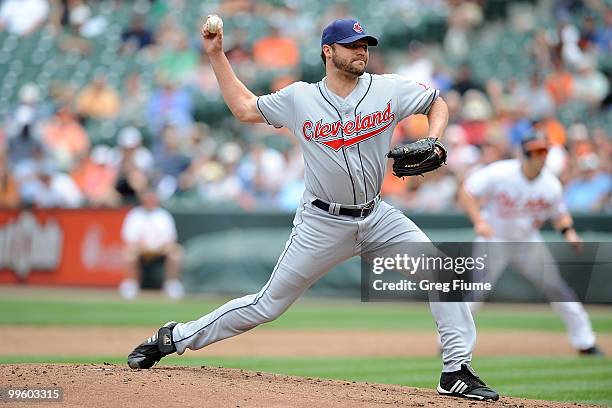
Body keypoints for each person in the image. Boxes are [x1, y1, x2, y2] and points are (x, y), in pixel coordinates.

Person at [127, 17, 499, 401]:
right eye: (352, 45)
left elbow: (435, 101)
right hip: (321, 222)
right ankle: (175, 337)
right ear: (328, 51)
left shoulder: (387, 88)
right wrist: (218, 55)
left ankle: (456, 371)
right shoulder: (300, 98)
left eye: (365, 44)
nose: (361, 51)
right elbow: (243, 107)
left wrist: (435, 139)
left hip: (377, 217)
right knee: (265, 305)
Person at [458, 130, 604, 356]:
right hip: (494, 239)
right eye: (536, 151)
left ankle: (585, 342)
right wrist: (479, 220)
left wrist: (569, 232)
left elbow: (560, 215)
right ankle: (451, 341)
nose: (541, 156)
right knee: (476, 292)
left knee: (557, 288)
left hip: (528, 242)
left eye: (544, 151)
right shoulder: (500, 172)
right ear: (525, 153)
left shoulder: (550, 184)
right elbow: (467, 193)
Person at [118, 188, 185, 300]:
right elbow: (129, 239)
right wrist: (143, 247)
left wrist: (160, 247)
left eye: (152, 198)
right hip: (140, 249)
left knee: (176, 252)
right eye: (147, 198)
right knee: (128, 254)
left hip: (161, 250)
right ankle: (131, 285)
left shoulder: (163, 215)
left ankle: (171, 285)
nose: (150, 201)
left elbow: (170, 239)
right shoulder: (134, 215)